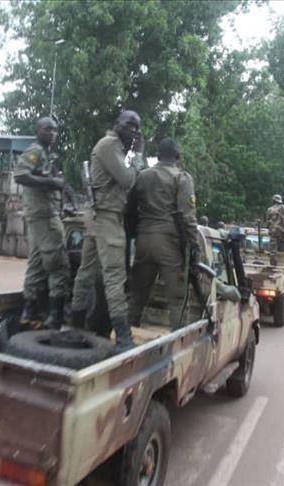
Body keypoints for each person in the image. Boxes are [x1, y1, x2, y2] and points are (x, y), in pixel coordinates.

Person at [69, 110, 146, 349]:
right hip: (106, 218)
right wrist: (139, 153)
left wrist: (132, 154)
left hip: (99, 217)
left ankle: (76, 325)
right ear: (117, 124)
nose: (134, 131)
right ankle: (123, 336)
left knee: (86, 272)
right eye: (130, 125)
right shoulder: (110, 144)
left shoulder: (115, 147)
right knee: (114, 276)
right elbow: (127, 179)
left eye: (137, 128)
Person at [127, 138, 200, 330]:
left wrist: (133, 235)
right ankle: (179, 345)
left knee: (137, 296)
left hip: (143, 240)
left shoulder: (142, 176)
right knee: (177, 300)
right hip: (169, 244)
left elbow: (130, 210)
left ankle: (125, 337)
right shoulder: (182, 178)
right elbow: (187, 218)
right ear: (178, 156)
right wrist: (195, 249)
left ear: (158, 156)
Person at [13, 117, 71, 329]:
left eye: (55, 129)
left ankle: (30, 311)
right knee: (59, 265)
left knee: (36, 264)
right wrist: (50, 182)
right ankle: (56, 316)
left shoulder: (47, 155)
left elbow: (55, 181)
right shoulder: (35, 151)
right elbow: (20, 174)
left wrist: (60, 186)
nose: (52, 133)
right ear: (38, 130)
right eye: (48, 129)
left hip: (40, 215)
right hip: (45, 216)